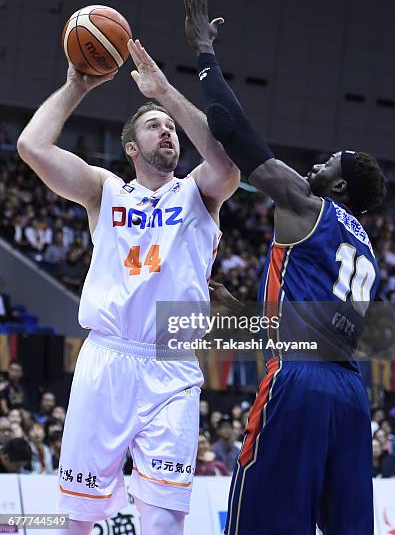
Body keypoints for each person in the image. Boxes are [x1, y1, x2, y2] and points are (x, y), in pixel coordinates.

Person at [184, 0, 386, 534]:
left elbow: (232, 131)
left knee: (261, 522)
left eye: (328, 164)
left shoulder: (308, 203)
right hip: (349, 395)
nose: (316, 165)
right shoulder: (367, 246)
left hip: (297, 383)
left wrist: (204, 54)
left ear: (338, 186)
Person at [17, 37, 239, 535]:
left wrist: (165, 95)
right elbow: (31, 147)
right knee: (78, 516)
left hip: (172, 366)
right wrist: (76, 86)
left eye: (169, 127)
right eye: (153, 125)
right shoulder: (104, 190)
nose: (166, 131)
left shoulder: (199, 193)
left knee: (164, 519)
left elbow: (226, 163)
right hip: (107, 359)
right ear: (131, 148)